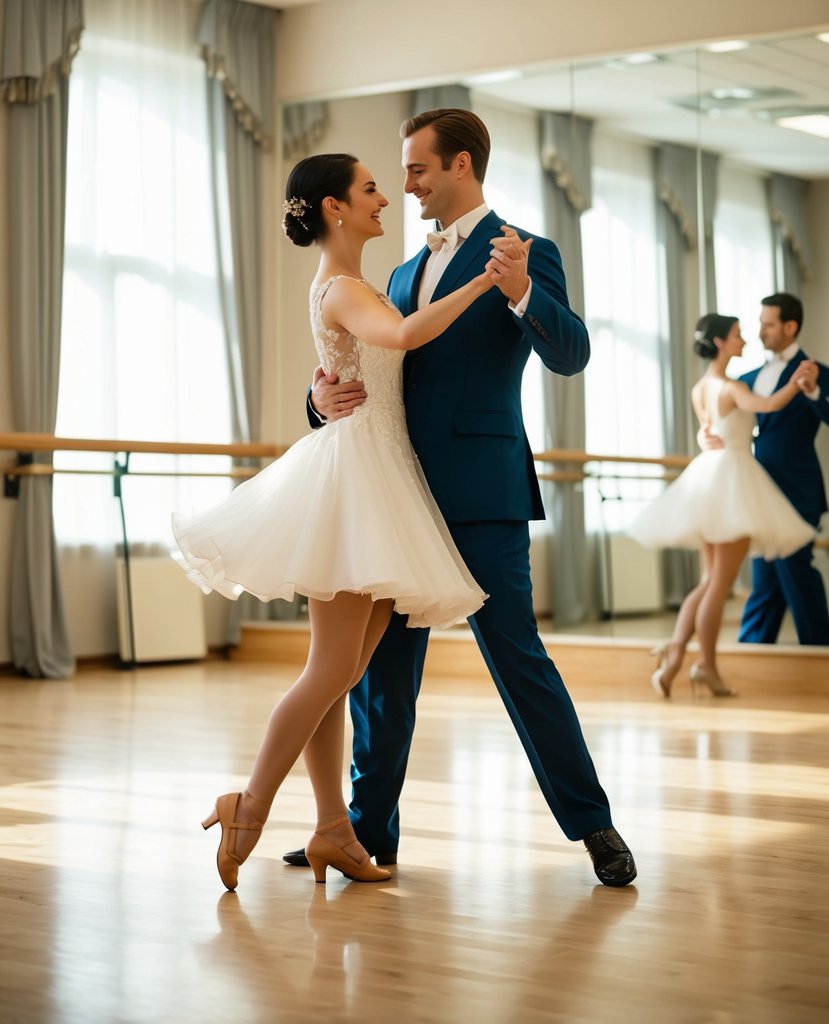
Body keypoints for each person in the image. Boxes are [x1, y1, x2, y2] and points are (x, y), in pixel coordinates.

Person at [284, 108, 637, 888]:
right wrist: (317, 400)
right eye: (400, 173)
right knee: (379, 677)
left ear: (461, 168)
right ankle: (364, 833)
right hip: (395, 495)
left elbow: (572, 354)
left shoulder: (525, 250)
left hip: (483, 493)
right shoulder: (403, 274)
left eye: (416, 170)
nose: (404, 185)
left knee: (520, 662)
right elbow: (370, 368)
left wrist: (520, 295)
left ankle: (594, 826)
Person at [173, 152, 495, 891]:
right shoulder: (346, 287)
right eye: (370, 188)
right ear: (333, 208)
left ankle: (331, 830)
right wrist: (484, 281)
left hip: (380, 475)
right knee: (330, 669)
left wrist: (322, 392)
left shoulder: (354, 285)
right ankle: (247, 805)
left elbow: (369, 362)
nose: (384, 198)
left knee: (341, 672)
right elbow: (405, 337)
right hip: (354, 481)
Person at [629, 313, 816, 698]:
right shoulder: (730, 387)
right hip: (731, 477)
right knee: (719, 584)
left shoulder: (701, 386)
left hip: (710, 475)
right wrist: (798, 385)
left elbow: (710, 426)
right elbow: (767, 405)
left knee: (709, 581)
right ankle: (703, 665)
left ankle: (679, 653)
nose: (744, 340)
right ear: (720, 343)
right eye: (737, 335)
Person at [730, 294, 828, 646]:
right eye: (760, 323)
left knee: (796, 573)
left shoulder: (815, 371)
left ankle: (819, 654)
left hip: (798, 491)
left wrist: (815, 390)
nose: (761, 332)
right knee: (766, 579)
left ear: (790, 326)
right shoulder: (747, 377)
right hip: (760, 492)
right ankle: (752, 653)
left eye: (768, 324)